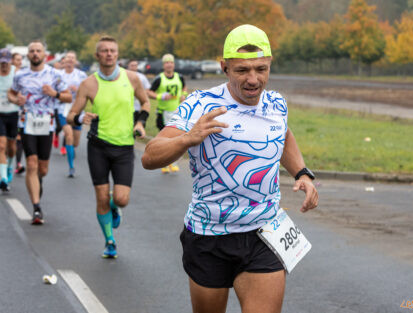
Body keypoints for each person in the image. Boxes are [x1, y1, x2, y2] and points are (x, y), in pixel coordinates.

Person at [142, 25, 319, 313]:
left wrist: (302, 173)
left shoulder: (276, 104)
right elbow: (150, 157)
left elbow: (283, 135)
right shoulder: (200, 104)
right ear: (224, 67)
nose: (253, 79)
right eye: (242, 71)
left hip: (265, 231)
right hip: (210, 235)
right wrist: (189, 137)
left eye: (261, 69)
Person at [67, 36, 150, 258]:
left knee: (121, 199)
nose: (109, 54)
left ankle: (115, 206)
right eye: (104, 51)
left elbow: (146, 102)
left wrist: (140, 122)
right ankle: (109, 240)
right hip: (98, 147)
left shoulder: (131, 78)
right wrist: (80, 118)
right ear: (97, 55)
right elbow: (70, 115)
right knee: (101, 197)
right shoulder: (89, 84)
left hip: (124, 147)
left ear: (117, 53)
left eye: (112, 50)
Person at [8, 41, 72, 225]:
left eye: (38, 51)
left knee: (42, 169)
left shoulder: (55, 75)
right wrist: (16, 99)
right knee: (32, 162)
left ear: (44, 54)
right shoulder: (20, 75)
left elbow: (68, 96)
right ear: (28, 55)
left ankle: (38, 181)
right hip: (27, 123)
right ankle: (36, 208)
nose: (35, 54)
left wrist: (54, 94)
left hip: (47, 124)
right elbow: (11, 94)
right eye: (32, 51)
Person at [149, 53, 187, 173]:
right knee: (164, 140)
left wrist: (183, 95)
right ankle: (164, 163)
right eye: (166, 63)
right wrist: (160, 96)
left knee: (176, 138)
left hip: (176, 112)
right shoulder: (159, 78)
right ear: (163, 65)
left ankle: (173, 162)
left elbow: (184, 88)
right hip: (163, 112)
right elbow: (149, 92)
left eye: (171, 62)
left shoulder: (179, 77)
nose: (169, 65)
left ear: (174, 64)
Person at [56, 51, 87, 177]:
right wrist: (63, 94)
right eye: (68, 58)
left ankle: (70, 152)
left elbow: (88, 92)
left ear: (75, 61)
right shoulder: (58, 75)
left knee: (75, 142)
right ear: (64, 60)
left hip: (77, 110)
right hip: (63, 109)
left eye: (72, 58)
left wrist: (78, 90)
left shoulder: (81, 75)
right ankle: (71, 167)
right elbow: (54, 92)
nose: (70, 60)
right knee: (68, 135)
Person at [0, 48, 20, 191]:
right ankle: (3, 179)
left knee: (11, 147)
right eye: (1, 63)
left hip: (13, 113)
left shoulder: (16, 73)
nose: (4, 65)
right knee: (1, 146)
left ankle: (10, 166)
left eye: (6, 63)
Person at [126, 59, 156, 124]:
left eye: (135, 65)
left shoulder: (142, 77)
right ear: (128, 66)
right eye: (132, 65)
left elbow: (147, 90)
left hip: (138, 108)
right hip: (126, 109)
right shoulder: (123, 76)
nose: (134, 67)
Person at [11, 53, 25, 174]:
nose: (19, 62)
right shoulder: (8, 74)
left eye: (21, 60)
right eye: (17, 60)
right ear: (12, 61)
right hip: (8, 109)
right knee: (9, 139)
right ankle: (8, 162)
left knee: (19, 138)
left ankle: (18, 164)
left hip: (21, 110)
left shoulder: (24, 74)